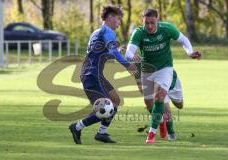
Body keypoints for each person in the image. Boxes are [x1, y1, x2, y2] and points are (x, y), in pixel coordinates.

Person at [125, 8, 201, 143]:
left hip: (165, 69)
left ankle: (151, 134)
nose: (149, 26)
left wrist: (189, 53)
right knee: (149, 103)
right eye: (146, 23)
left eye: (152, 23)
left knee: (174, 103)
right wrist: (133, 56)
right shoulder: (138, 32)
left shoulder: (167, 29)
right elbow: (128, 52)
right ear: (142, 21)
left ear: (157, 21)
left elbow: (183, 40)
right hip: (147, 70)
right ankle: (164, 125)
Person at [69, 5, 137, 144]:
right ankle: (76, 127)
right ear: (110, 17)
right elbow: (113, 53)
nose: (119, 22)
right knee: (106, 108)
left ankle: (102, 133)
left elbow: (103, 54)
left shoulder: (97, 32)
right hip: (91, 75)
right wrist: (127, 64)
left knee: (115, 100)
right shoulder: (109, 32)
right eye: (118, 19)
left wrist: (117, 50)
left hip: (95, 74)